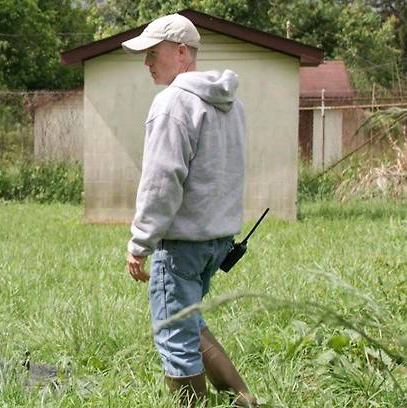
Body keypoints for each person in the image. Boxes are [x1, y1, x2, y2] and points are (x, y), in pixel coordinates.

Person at [121, 14, 258, 407]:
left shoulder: (172, 104)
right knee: (190, 322)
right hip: (216, 242)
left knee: (174, 335)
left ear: (181, 52)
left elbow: (162, 182)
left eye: (153, 53)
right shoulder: (232, 104)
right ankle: (244, 400)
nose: (147, 63)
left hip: (181, 246)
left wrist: (139, 243)